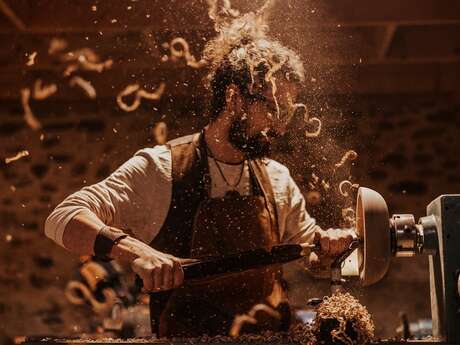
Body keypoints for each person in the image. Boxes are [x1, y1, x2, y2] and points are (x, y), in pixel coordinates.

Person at [44, 14, 355, 338]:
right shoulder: (161, 169)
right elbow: (62, 218)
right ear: (234, 98)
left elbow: (313, 259)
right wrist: (138, 253)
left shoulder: (276, 179)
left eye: (287, 113)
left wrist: (330, 248)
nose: (280, 126)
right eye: (274, 109)